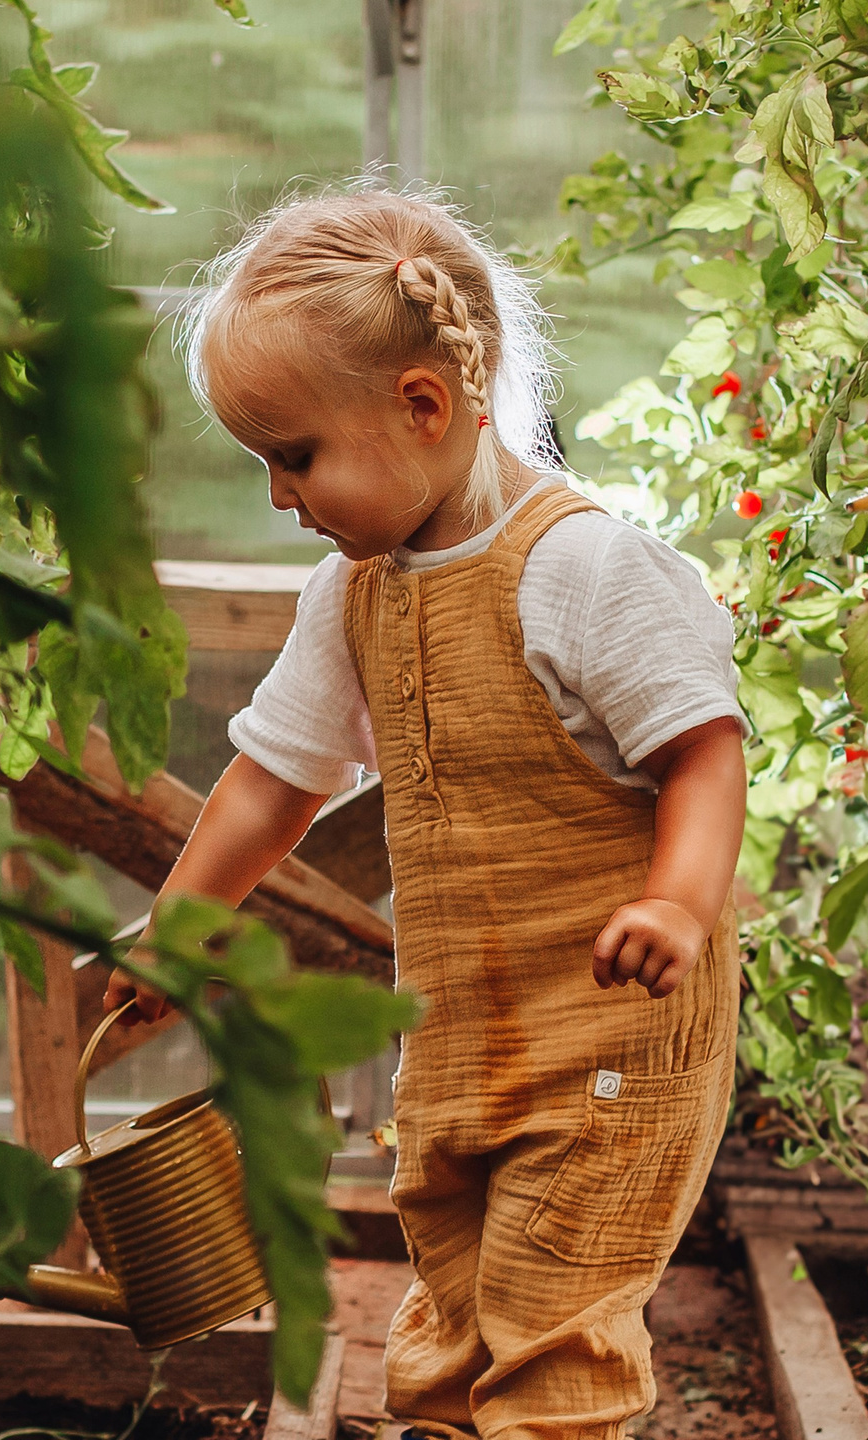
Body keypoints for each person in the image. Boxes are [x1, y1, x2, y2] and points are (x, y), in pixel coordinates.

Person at [102, 185, 750, 1440]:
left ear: (422, 405)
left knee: (551, 1347)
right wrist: (178, 928)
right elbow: (273, 781)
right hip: (464, 1042)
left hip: (615, 1047)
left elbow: (703, 752)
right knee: (452, 1331)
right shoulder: (353, 594)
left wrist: (678, 898)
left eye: (294, 455)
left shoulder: (582, 568)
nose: (281, 496)